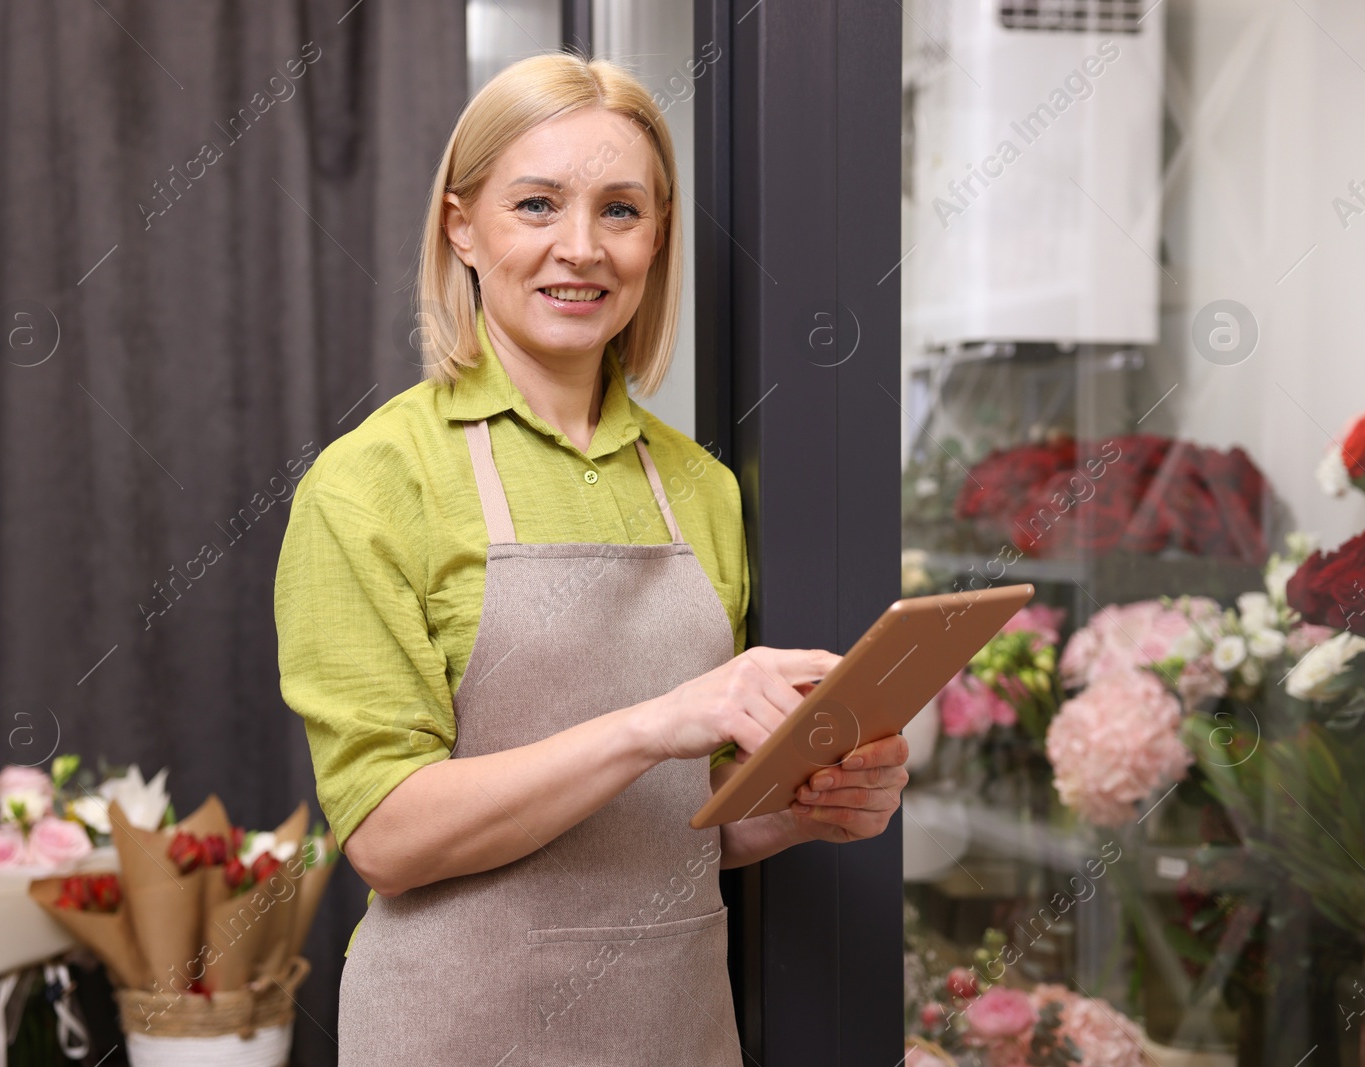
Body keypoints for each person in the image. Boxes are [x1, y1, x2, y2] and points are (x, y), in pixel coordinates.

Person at [273, 50, 910, 1066]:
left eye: (621, 210)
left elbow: (679, 823)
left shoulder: (698, 485)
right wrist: (652, 723)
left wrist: (802, 810)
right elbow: (388, 836)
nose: (582, 248)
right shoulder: (372, 483)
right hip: (458, 1032)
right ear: (460, 226)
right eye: (535, 204)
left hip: (675, 1029)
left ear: (656, 237)